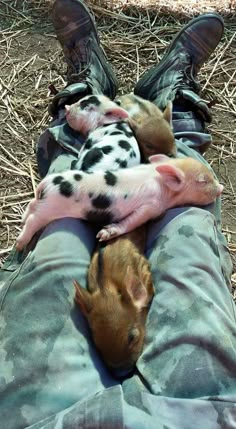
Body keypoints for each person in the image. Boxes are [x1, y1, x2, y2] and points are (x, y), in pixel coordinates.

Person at [0, 1, 235, 428]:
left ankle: (82, 105)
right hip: (204, 408)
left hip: (37, 414)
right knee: (191, 230)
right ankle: (175, 115)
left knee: (58, 236)